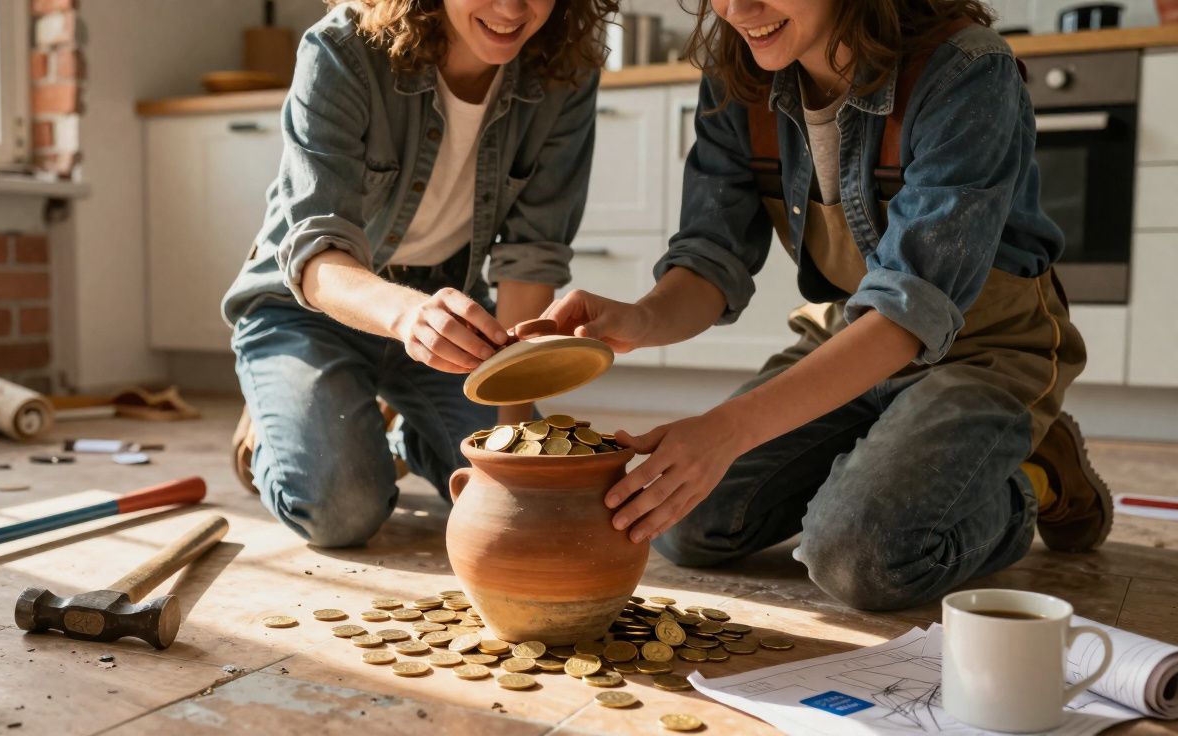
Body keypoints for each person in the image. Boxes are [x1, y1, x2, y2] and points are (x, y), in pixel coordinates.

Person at [544, 0, 1111, 611]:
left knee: (861, 558)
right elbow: (712, 254)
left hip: (986, 351)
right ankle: (890, 452)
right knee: (687, 522)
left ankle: (1038, 478)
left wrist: (726, 432)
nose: (739, 10)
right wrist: (639, 318)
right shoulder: (739, 77)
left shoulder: (967, 71)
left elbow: (908, 308)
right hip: (843, 337)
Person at [223, 0, 612, 547]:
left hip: (448, 307)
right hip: (306, 308)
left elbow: (533, 254)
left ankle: (400, 429)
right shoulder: (342, 50)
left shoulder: (566, 70)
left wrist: (509, 440)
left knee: (530, 492)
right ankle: (269, 428)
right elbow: (316, 255)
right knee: (342, 512)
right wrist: (407, 316)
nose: (511, 8)